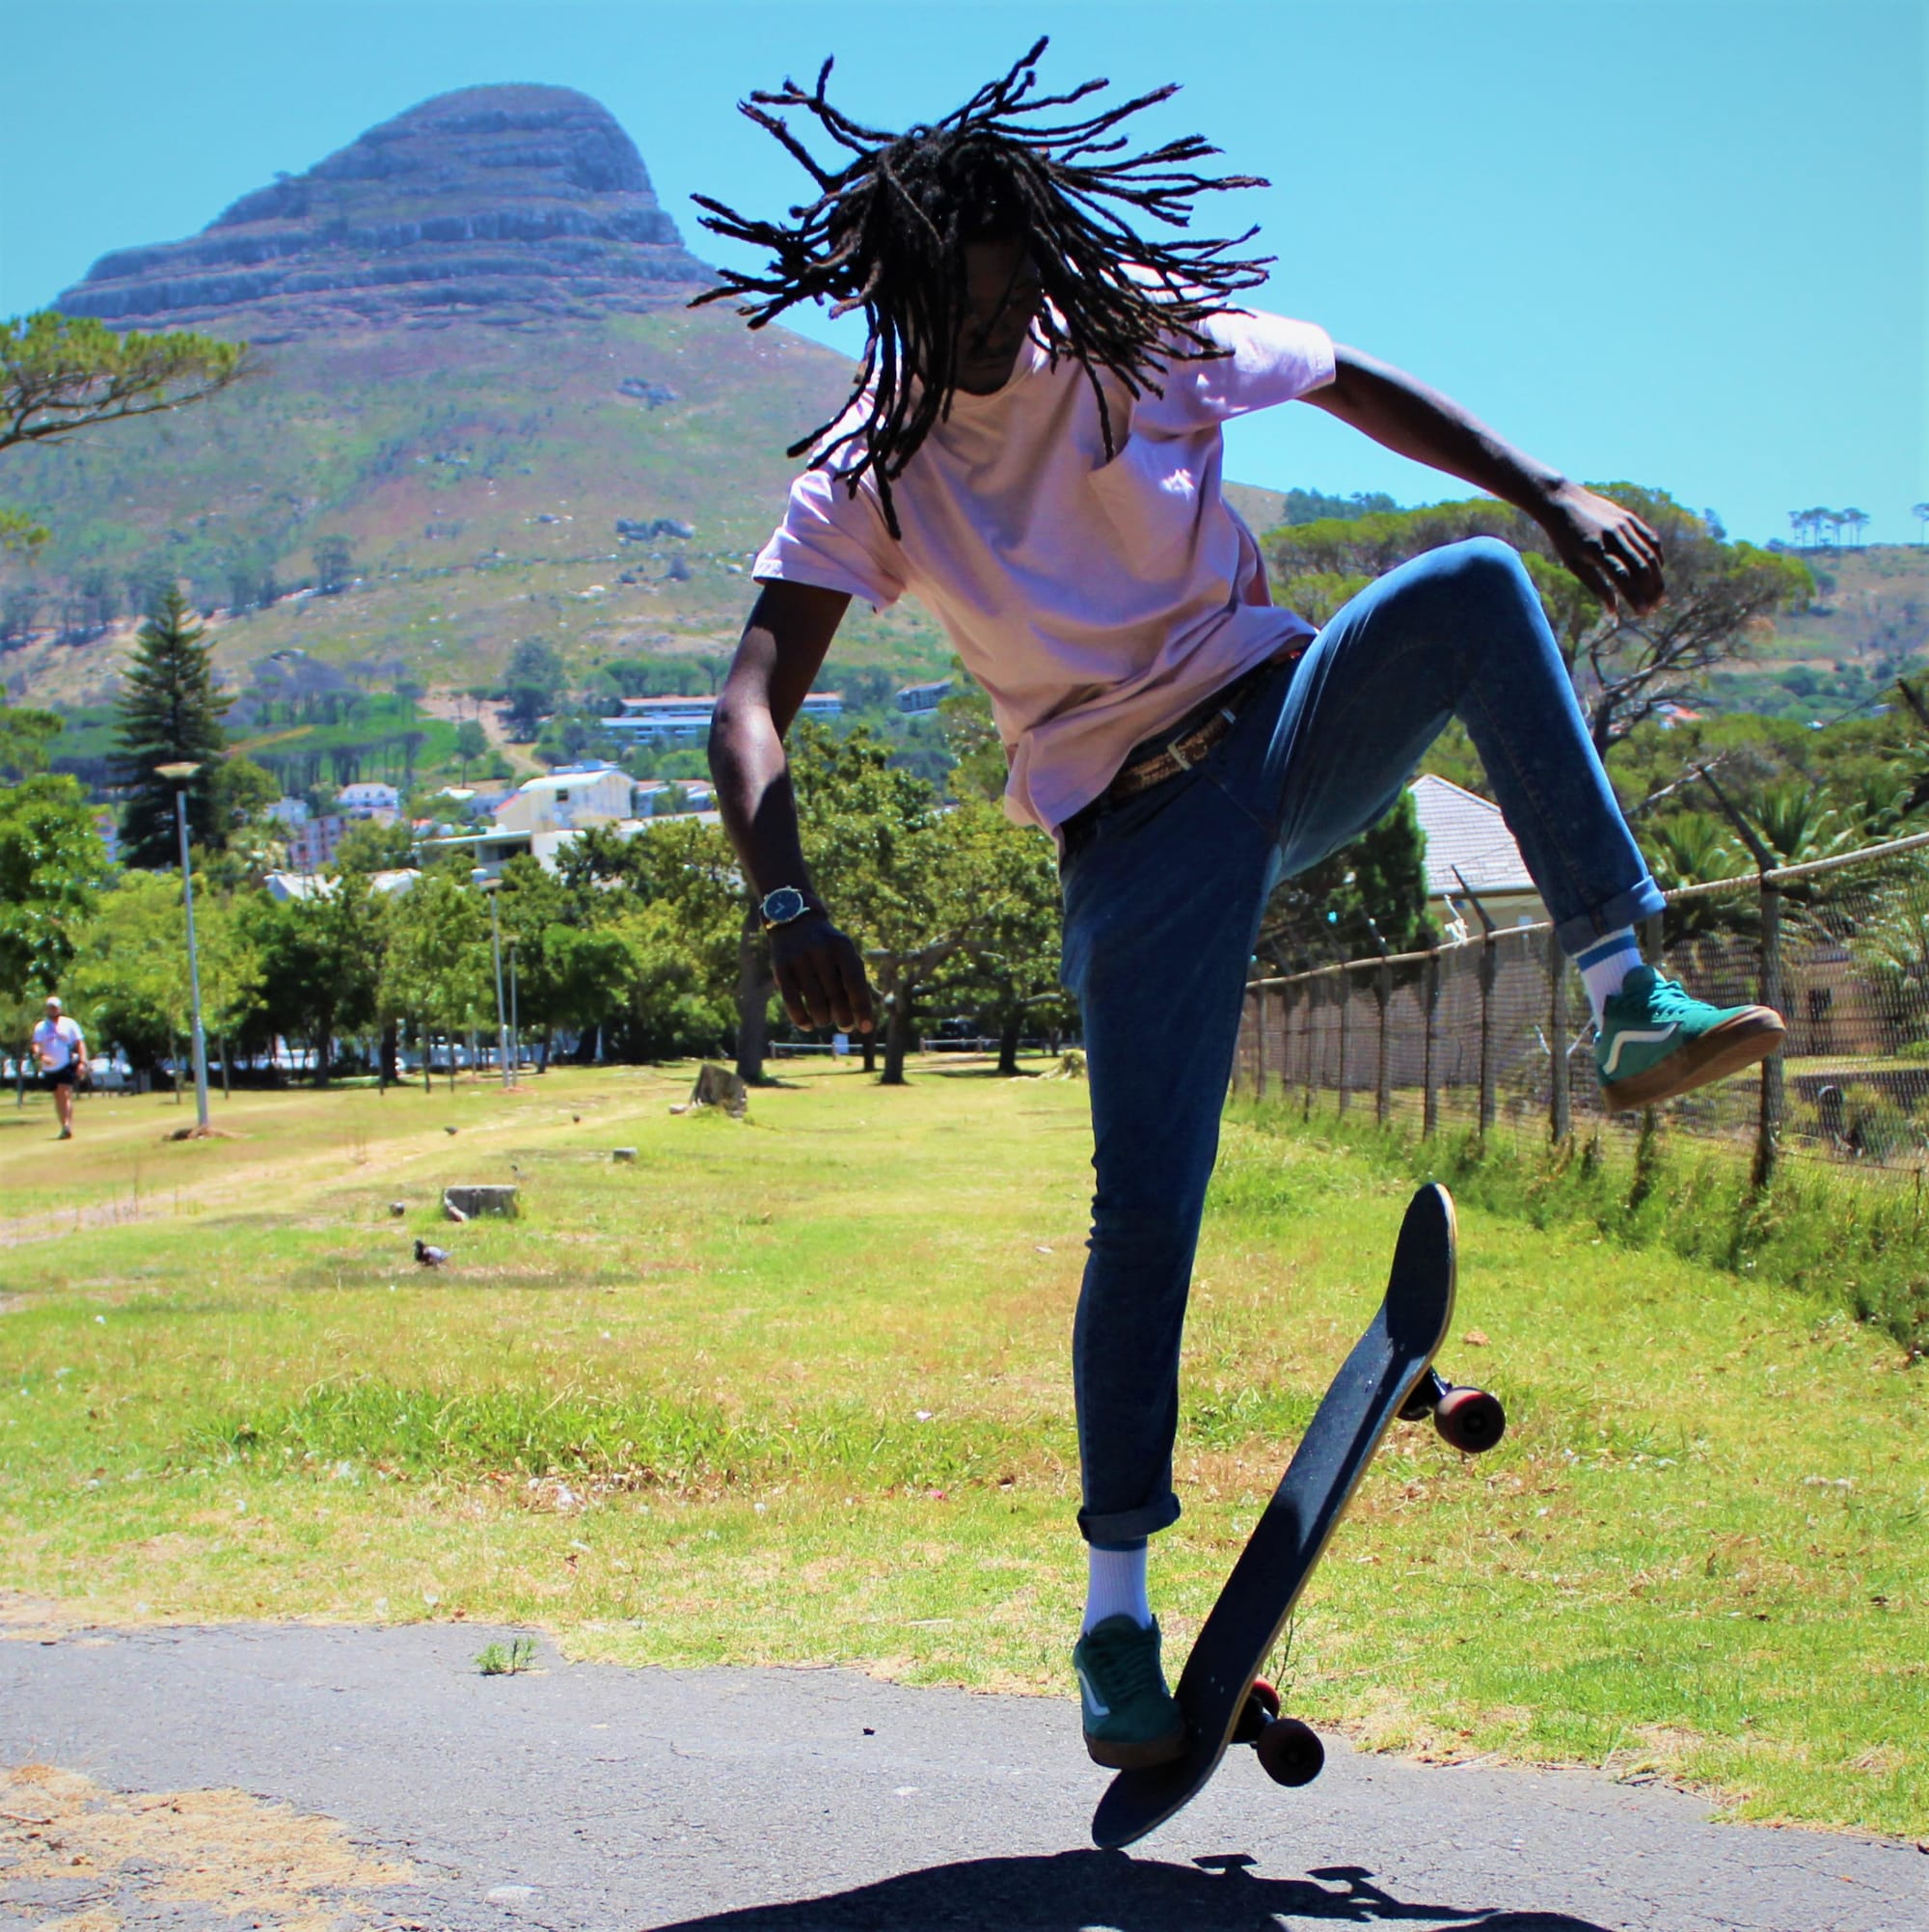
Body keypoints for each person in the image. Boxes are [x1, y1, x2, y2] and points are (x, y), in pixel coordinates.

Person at [695, 42, 1786, 1770]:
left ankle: (1622, 990)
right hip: (1130, 837)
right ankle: (1115, 1621)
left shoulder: (1124, 322)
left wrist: (1548, 483)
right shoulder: (874, 457)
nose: (992, 347)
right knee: (1151, 1219)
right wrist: (786, 896)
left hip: (1280, 725)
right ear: (896, 297)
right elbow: (747, 705)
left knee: (1475, 590)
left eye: (1003, 307)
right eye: (955, 319)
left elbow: (1346, 374)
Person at [31, 995, 89, 1141]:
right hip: (49, 1067)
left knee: (65, 1093)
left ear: (60, 1008)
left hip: (66, 1063)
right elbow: (36, 1045)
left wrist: (83, 1062)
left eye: (55, 1007)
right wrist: (41, 1056)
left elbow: (79, 1043)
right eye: (50, 1007)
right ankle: (63, 1124)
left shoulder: (69, 1024)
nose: (53, 1010)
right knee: (57, 1097)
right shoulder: (41, 1027)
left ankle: (67, 1126)